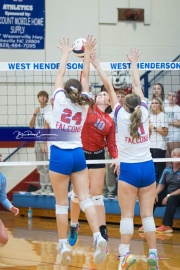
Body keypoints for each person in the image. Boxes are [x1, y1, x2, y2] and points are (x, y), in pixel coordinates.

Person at [90, 48, 159, 270]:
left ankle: (124, 256)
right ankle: (154, 255)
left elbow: (109, 87)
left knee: (127, 216)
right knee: (147, 216)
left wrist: (97, 65)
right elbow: (138, 86)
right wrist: (134, 63)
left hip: (128, 170)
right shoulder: (145, 112)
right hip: (147, 168)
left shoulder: (119, 113)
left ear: (124, 104)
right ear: (138, 104)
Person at [49, 36, 107, 266]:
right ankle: (96, 236)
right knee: (85, 199)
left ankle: (63, 244)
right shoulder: (85, 101)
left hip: (59, 155)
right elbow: (86, 80)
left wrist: (65, 53)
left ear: (65, 90)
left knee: (62, 204)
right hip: (77, 154)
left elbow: (60, 74)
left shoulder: (59, 98)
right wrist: (88, 57)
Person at [68, 88, 118, 247]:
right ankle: (74, 225)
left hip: (97, 156)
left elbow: (111, 144)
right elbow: (84, 82)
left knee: (97, 196)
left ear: (109, 102)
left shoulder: (110, 121)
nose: (102, 95)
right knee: (76, 195)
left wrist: (117, 158)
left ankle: (102, 233)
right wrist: (87, 62)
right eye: (100, 94)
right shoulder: (88, 107)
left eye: (105, 94)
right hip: (81, 154)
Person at [104, 89, 127, 199]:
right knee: (109, 168)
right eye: (118, 96)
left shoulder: (129, 113)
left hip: (124, 145)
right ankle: (111, 190)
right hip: (111, 144)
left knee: (124, 168)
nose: (120, 98)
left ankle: (124, 190)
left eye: (123, 96)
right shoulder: (109, 114)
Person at [29, 90, 52, 195]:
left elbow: (48, 126)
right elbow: (31, 126)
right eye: (40, 96)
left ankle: (49, 187)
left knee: (47, 164)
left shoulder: (49, 109)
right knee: (40, 165)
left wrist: (45, 142)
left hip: (46, 140)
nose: (42, 98)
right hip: (37, 140)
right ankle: (43, 187)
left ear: (47, 98)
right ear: (38, 98)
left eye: (44, 96)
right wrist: (34, 114)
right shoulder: (37, 110)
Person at [154, 148, 180, 233]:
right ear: (171, 157)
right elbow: (161, 185)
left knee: (171, 199)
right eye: (175, 155)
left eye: (178, 155)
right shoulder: (167, 170)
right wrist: (155, 194)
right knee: (152, 197)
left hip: (177, 196)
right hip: (169, 194)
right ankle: (147, 224)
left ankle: (167, 225)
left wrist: (169, 196)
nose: (176, 157)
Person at [149, 97, 168, 183]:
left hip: (159, 146)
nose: (154, 105)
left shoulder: (163, 116)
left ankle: (162, 190)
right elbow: (149, 133)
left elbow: (165, 132)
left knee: (160, 168)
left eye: (156, 103)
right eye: (153, 103)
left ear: (160, 105)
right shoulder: (151, 116)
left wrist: (154, 127)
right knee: (152, 169)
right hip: (151, 145)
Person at [0, 168, 19, 245]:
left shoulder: (2, 178)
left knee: (4, 239)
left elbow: (3, 197)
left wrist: (11, 207)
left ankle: (3, 229)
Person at [164, 90, 180, 166]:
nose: (171, 97)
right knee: (167, 158)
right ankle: (169, 176)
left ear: (177, 99)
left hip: (174, 136)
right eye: (169, 95)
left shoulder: (178, 109)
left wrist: (169, 122)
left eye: (173, 96)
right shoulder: (164, 109)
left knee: (175, 156)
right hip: (164, 135)